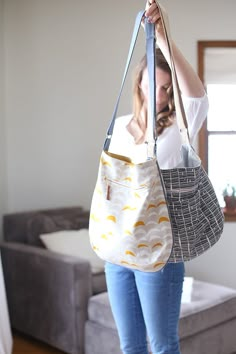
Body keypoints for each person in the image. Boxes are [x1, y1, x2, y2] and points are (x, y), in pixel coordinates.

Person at [105, 1, 209, 353]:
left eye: (167, 89)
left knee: (163, 345)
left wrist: (163, 37)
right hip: (117, 252)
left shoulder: (178, 130)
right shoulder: (119, 128)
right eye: (155, 85)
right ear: (140, 81)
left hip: (159, 255)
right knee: (130, 346)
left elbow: (196, 97)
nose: (161, 96)